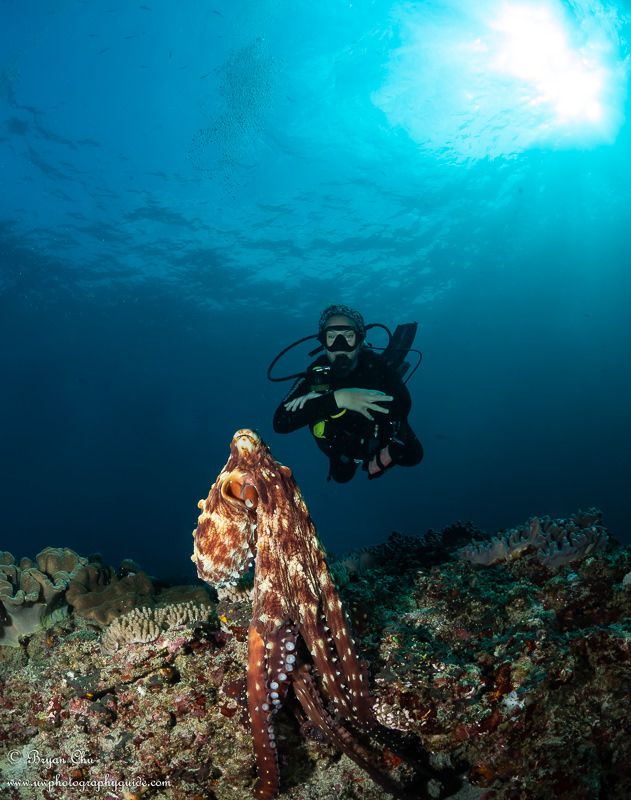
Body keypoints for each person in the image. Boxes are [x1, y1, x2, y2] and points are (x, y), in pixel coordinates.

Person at [273, 304, 423, 482]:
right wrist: (338, 398)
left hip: (377, 439)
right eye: (332, 337)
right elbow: (280, 423)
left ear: (359, 341)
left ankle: (387, 452)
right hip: (340, 447)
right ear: (323, 342)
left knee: (414, 455)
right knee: (341, 477)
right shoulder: (317, 375)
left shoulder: (376, 366)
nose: (340, 346)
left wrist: (389, 451)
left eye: (348, 336)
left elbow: (403, 405)